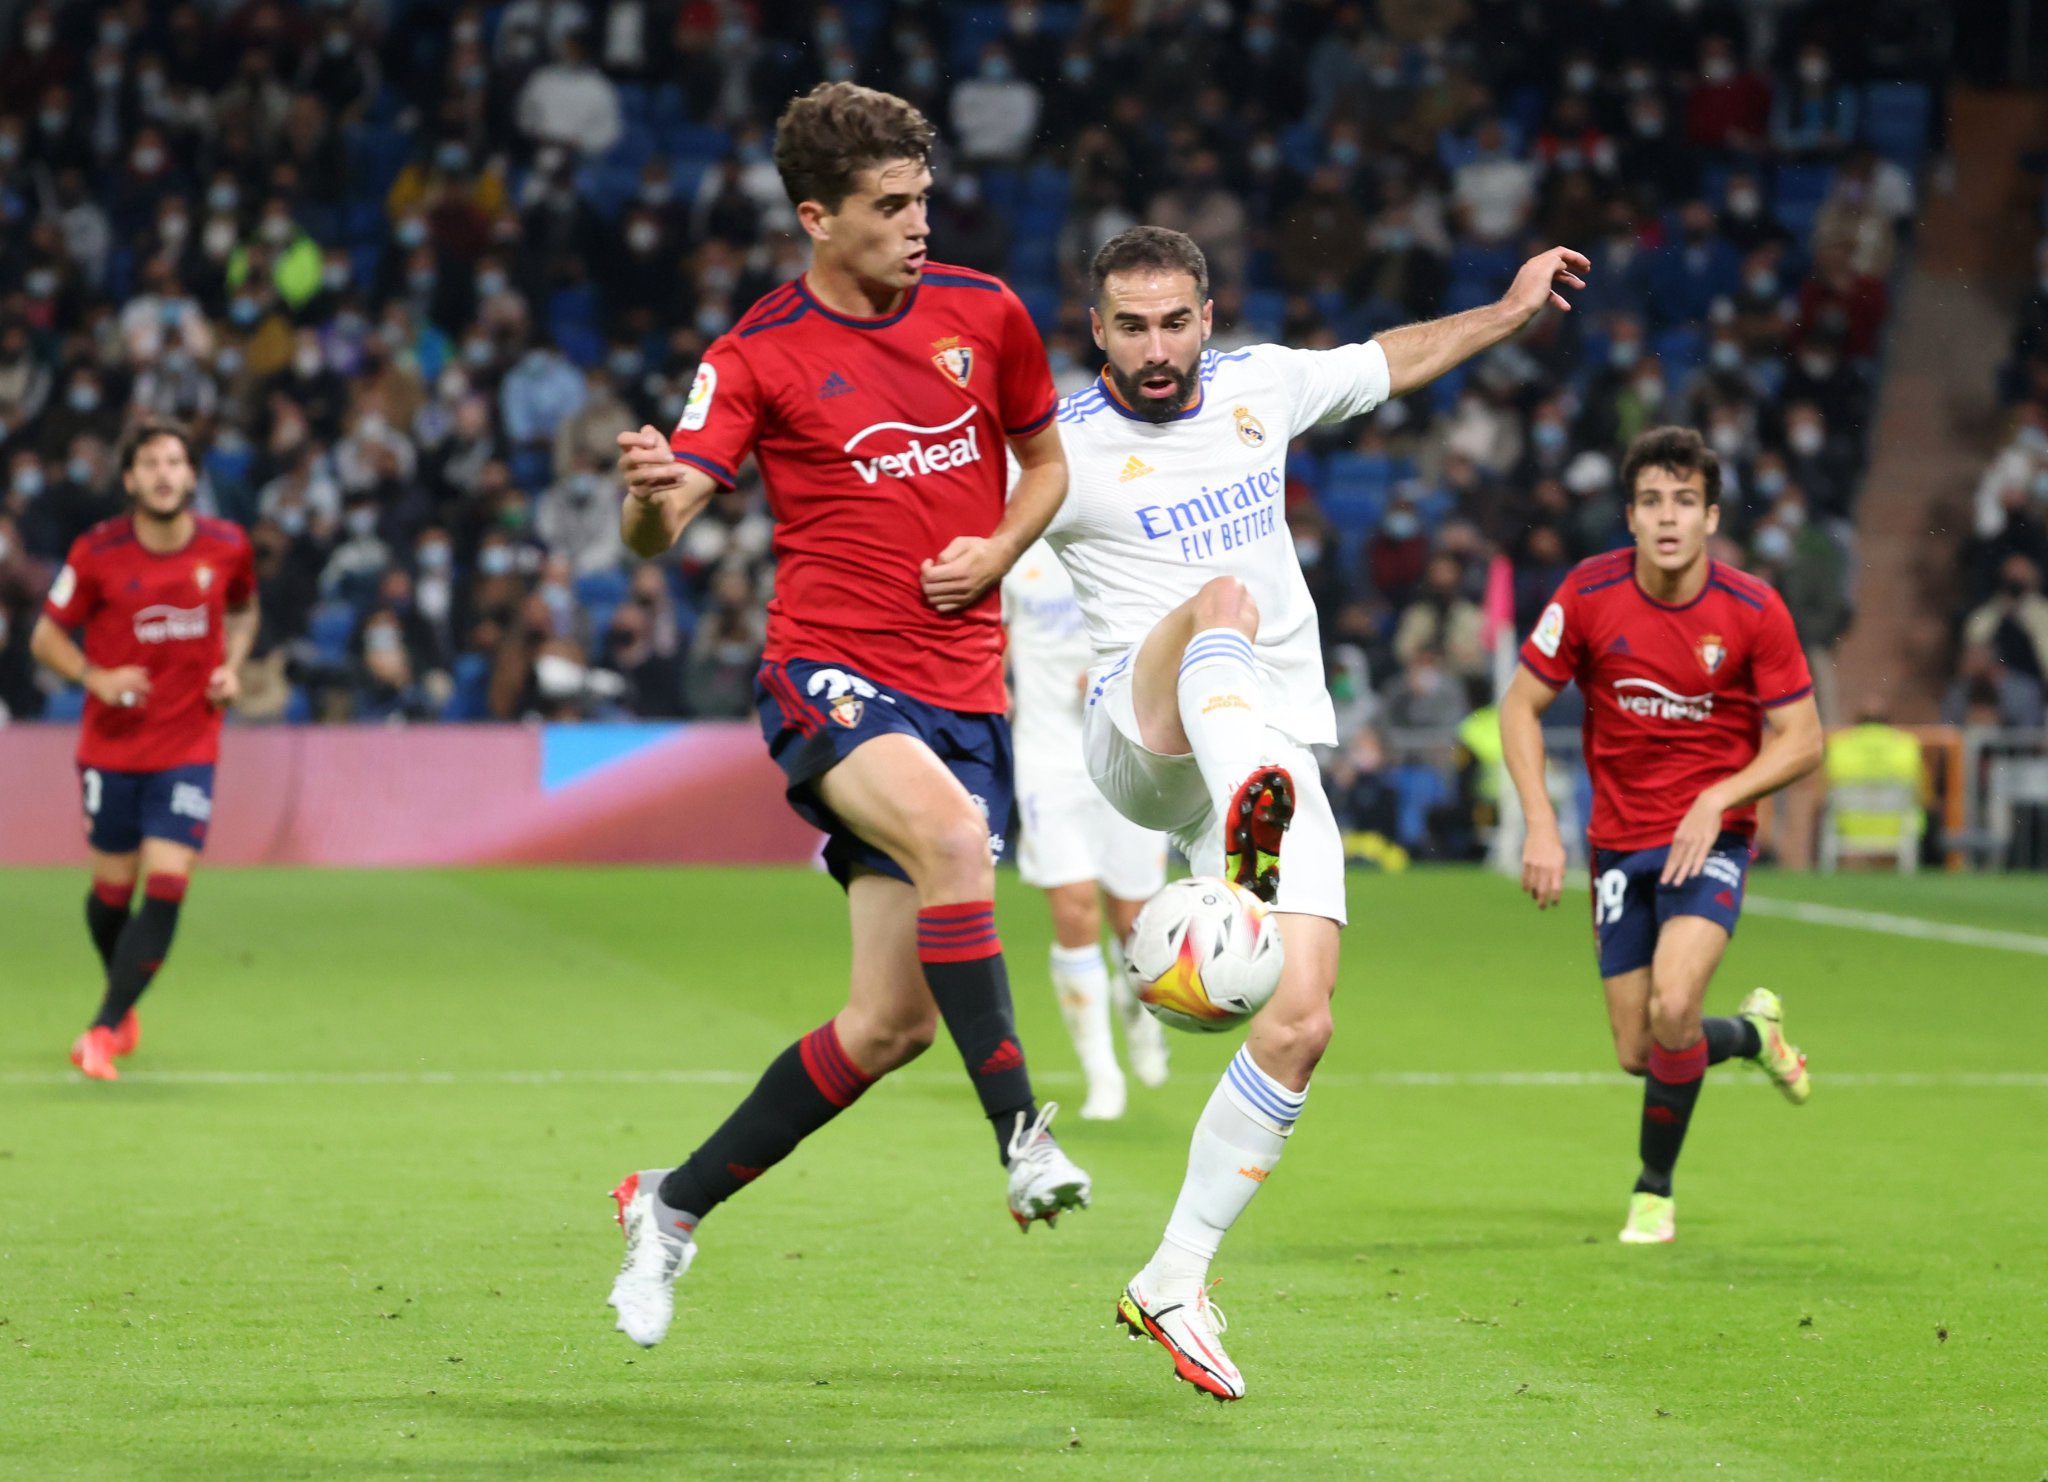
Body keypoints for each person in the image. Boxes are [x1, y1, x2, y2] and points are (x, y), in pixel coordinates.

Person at [1043, 225, 1588, 1400]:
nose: (1152, 347)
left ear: (1205, 316)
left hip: (1267, 733)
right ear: (1095, 329)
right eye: (1127, 325)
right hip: (1145, 736)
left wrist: (1504, 309)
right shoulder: (1056, 446)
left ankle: (1174, 1278)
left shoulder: (1259, 387)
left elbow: (1386, 358)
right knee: (1219, 596)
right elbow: (943, 522)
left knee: (1297, 1021)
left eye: (1172, 322)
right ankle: (1250, 820)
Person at [604, 83, 1084, 1351]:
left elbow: (1045, 467)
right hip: (829, 672)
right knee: (947, 841)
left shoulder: (986, 314)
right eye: (889, 206)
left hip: (964, 691)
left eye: (923, 196)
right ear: (816, 217)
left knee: (889, 1025)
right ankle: (1022, 1136)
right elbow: (663, 528)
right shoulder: (753, 352)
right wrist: (648, 496)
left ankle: (669, 1205)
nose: (918, 222)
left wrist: (992, 549)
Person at [1500, 426, 1822, 1249]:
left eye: (1685, 501)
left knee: (1676, 1004)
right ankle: (1754, 1036)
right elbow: (1519, 706)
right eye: (1652, 501)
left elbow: (1804, 739)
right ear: (1630, 516)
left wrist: (1722, 796)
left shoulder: (1753, 609)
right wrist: (1541, 821)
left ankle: (1653, 1190)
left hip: (1709, 840)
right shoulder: (1589, 592)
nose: (1668, 517)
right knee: (1641, 1048)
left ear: (1712, 516)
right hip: (1620, 842)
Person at [28, 420, 258, 1081]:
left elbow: (243, 612)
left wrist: (232, 666)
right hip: (111, 746)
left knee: (165, 884)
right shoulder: (97, 552)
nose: (163, 474)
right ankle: (121, 1003)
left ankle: (101, 1031)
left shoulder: (228, 547)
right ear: (129, 480)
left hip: (188, 742)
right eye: (150, 463)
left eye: (175, 462)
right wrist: (94, 677)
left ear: (191, 476)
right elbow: (46, 636)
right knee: (109, 895)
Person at [1001, 538, 1170, 1122]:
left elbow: (1171, 630)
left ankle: (1141, 1015)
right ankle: (1102, 1074)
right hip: (1047, 755)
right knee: (1074, 909)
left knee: (1134, 923)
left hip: (1126, 750)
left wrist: (1119, 676)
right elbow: (983, 626)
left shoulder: (1121, 538)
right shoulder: (1014, 541)